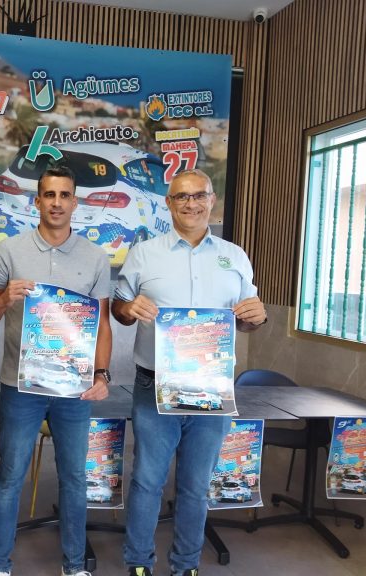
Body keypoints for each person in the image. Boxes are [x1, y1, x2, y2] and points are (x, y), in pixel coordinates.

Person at [111, 169, 267, 576]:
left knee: (197, 486)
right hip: (154, 385)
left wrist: (256, 317)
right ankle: (139, 563)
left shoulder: (235, 256)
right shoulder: (145, 253)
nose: (191, 203)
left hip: (211, 388)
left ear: (212, 200)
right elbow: (119, 308)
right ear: (169, 203)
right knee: (147, 481)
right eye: (181, 197)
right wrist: (127, 308)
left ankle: (185, 566)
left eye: (199, 195)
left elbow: (247, 319)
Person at [0, 165, 113, 576]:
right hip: (20, 386)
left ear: (75, 201)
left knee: (74, 477)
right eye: (48, 195)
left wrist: (102, 375)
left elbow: (102, 323)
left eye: (64, 195)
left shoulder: (95, 257)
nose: (56, 202)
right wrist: (4, 299)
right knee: (10, 475)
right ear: (36, 201)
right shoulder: (9, 251)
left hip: (75, 389)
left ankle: (74, 566)